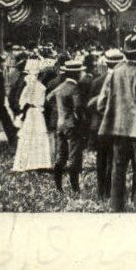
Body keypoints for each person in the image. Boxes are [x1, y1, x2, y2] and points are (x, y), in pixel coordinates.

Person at [98, 34, 136, 212]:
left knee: (118, 168)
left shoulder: (115, 72)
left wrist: (114, 116)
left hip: (117, 129)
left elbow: (101, 102)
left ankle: (116, 206)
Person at [87, 49, 123, 200]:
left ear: (106, 63)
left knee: (101, 158)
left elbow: (90, 105)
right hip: (116, 124)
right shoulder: (122, 82)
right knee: (114, 158)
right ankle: (111, 190)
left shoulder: (96, 82)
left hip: (99, 125)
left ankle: (101, 190)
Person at [52, 60, 87, 193]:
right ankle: (75, 187)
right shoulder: (75, 88)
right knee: (74, 156)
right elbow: (78, 108)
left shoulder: (60, 87)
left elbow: (50, 100)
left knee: (61, 155)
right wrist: (82, 122)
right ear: (76, 73)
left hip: (60, 124)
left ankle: (58, 187)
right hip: (73, 125)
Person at [12, 60, 53, 172]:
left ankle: (24, 163)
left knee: (27, 136)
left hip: (29, 113)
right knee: (38, 136)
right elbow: (42, 103)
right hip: (37, 113)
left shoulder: (27, 88)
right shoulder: (42, 88)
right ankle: (39, 163)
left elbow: (21, 103)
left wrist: (25, 108)